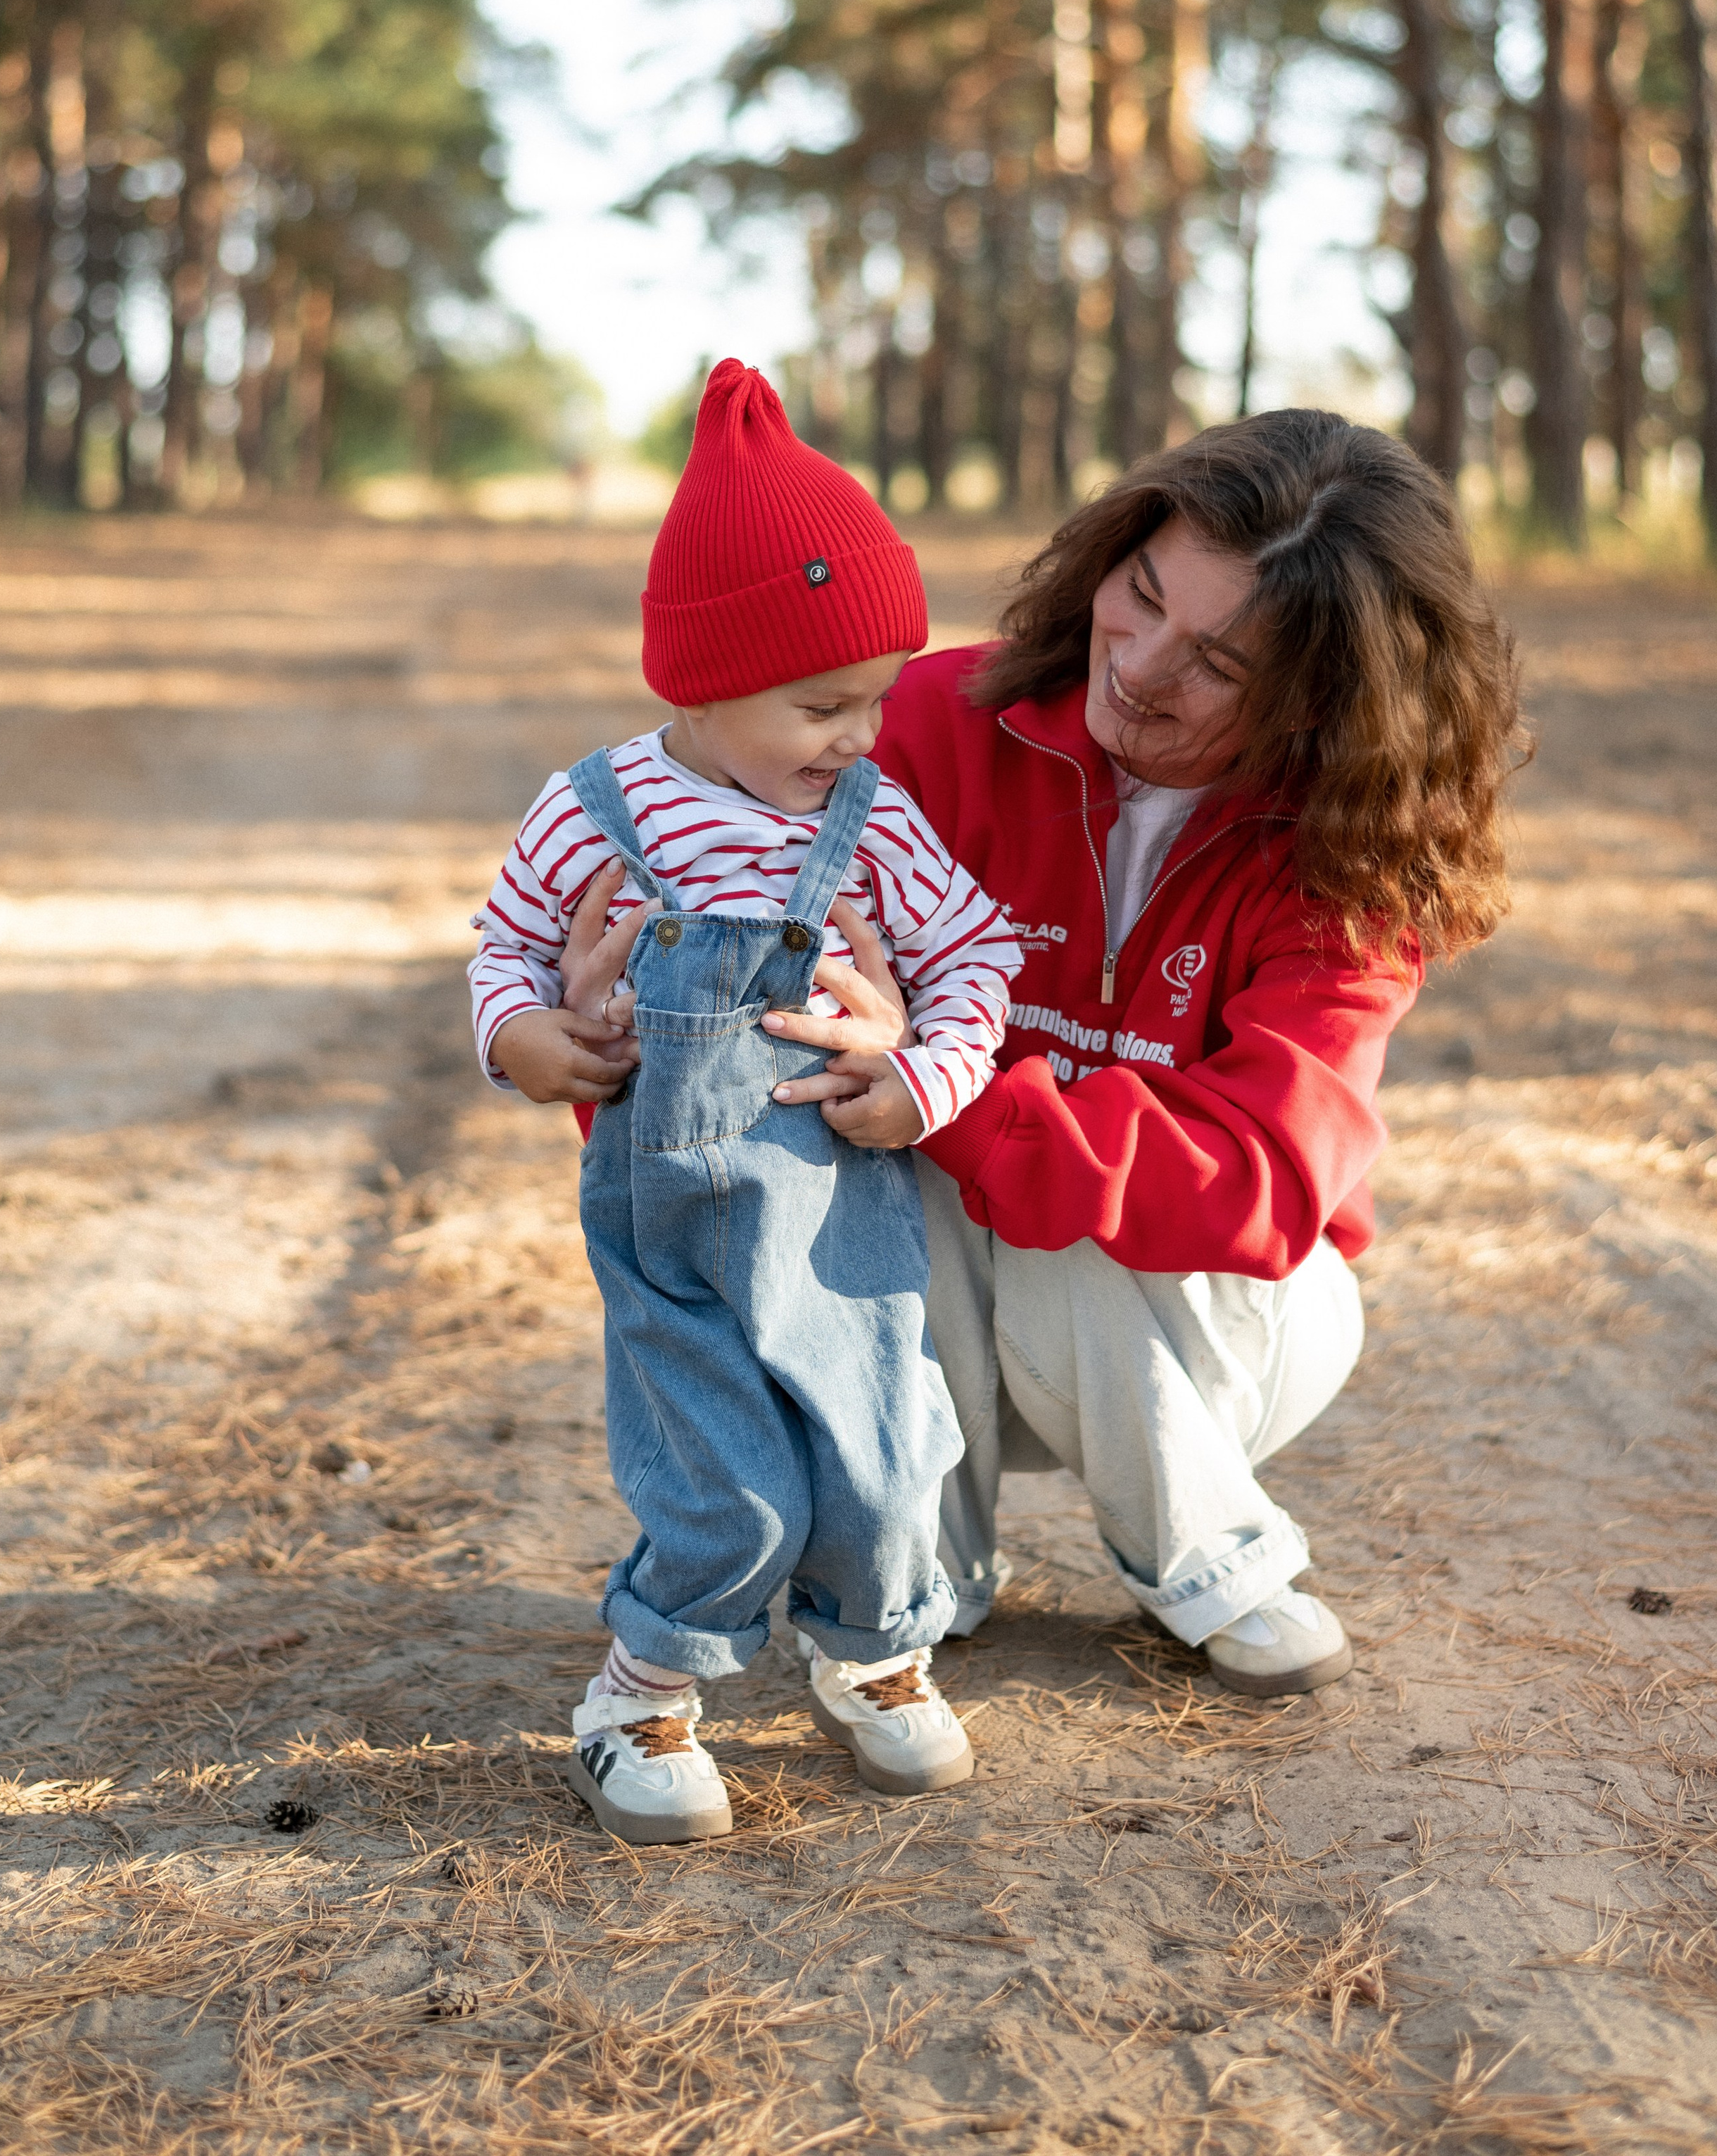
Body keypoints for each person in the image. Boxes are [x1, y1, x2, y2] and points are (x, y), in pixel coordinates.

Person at [762, 410, 1524, 1696]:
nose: (1142, 668)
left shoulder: (1356, 848)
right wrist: (597, 1032)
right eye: (1143, 594)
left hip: (1225, 1334)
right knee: (877, 1145)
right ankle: (907, 1568)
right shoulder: (932, 725)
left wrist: (947, 1095)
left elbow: (1266, 1179)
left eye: (1219, 664)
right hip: (940, 1321)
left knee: (1084, 1177)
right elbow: (756, 1006)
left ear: (1328, 701)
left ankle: (1214, 1560)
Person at [468, 361, 1021, 1844]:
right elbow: (505, 949)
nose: (859, 731)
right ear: (699, 678)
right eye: (819, 701)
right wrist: (524, 1036)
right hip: (670, 1220)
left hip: (841, 1204)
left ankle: (874, 1656)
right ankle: (640, 1694)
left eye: (875, 698)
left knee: (886, 1447)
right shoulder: (595, 811)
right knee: (728, 1479)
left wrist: (922, 1075)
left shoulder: (871, 819)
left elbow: (978, 957)